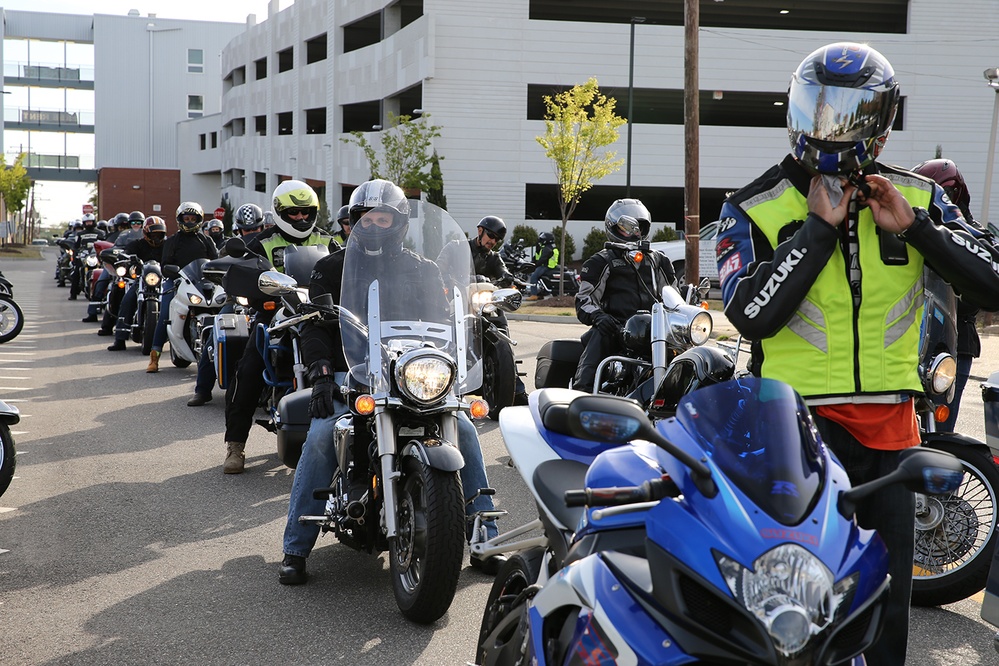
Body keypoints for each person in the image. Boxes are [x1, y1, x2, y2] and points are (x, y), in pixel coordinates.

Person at [716, 42, 999, 664]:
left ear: (882, 120)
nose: (830, 126)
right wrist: (817, 231)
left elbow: (994, 281)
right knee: (792, 605)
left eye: (848, 113)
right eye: (819, 109)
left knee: (884, 605)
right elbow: (751, 314)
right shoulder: (753, 204)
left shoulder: (918, 197)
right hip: (793, 436)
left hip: (891, 439)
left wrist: (919, 230)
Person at [278, 178, 504, 585]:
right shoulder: (331, 268)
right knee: (322, 435)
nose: (375, 225)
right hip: (356, 372)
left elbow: (446, 322)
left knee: (466, 431)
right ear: (353, 222)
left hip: (414, 374)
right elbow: (315, 327)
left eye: (384, 218)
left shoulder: (423, 268)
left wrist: (470, 333)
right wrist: (322, 374)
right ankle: (295, 547)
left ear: (399, 222)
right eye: (367, 218)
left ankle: (486, 537)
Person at [222, 180, 336, 473]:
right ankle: (236, 445)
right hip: (275, 315)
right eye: (293, 213)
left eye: (306, 212)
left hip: (321, 316)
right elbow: (236, 271)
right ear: (279, 211)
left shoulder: (329, 242)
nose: (300, 218)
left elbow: (350, 271)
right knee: (248, 369)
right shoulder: (260, 242)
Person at [911, 159, 985, 432]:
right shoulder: (918, 229)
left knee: (943, 425)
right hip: (916, 336)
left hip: (955, 339)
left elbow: (981, 287)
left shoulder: (971, 234)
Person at [572, 198, 676, 393]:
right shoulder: (602, 261)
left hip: (654, 328)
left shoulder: (658, 260)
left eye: (638, 228)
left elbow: (673, 294)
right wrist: (599, 316)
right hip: (618, 328)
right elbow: (585, 300)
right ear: (612, 227)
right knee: (599, 335)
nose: (633, 233)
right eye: (626, 227)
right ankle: (581, 393)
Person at [186, 203, 267, 407]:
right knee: (215, 332)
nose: (251, 233)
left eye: (255, 229)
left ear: (262, 228)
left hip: (268, 299)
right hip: (238, 300)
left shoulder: (269, 245)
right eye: (247, 230)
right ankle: (202, 390)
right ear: (238, 230)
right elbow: (217, 272)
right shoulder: (227, 250)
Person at [146, 202, 218, 373]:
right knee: (165, 315)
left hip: (203, 282)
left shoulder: (206, 240)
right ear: (180, 219)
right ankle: (154, 356)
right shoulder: (172, 241)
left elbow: (216, 262)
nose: (190, 221)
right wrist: (173, 274)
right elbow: (165, 265)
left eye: (194, 218)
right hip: (177, 281)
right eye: (187, 218)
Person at [106, 216, 167, 351]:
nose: (156, 237)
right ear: (146, 233)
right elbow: (125, 253)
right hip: (141, 279)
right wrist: (125, 258)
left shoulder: (168, 245)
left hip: (164, 279)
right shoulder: (137, 244)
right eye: (153, 234)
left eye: (159, 234)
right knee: (128, 300)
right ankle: (120, 339)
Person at [69, 213, 105, 301]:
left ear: (94, 222)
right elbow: (75, 246)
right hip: (83, 255)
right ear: (84, 223)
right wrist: (75, 255)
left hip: (96, 255)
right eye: (87, 222)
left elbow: (104, 244)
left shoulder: (100, 233)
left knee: (103, 272)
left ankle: (103, 294)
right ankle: (73, 294)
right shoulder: (80, 234)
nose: (89, 224)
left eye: (90, 222)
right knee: (76, 272)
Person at [525, 231, 558, 300]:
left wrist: (535, 265)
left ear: (547, 240)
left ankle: (534, 294)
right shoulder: (550, 246)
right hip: (550, 266)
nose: (541, 240)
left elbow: (542, 259)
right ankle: (540, 294)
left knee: (533, 276)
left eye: (543, 238)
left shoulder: (547, 248)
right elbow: (538, 256)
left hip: (545, 267)